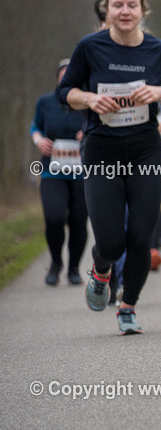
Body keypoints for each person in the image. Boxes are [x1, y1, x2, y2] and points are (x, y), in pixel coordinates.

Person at [57, 0, 161, 334]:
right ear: (108, 10)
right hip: (102, 150)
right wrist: (87, 99)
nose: (125, 11)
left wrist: (160, 92)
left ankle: (127, 306)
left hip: (146, 150)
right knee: (111, 240)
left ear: (143, 10)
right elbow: (64, 93)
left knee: (140, 238)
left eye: (132, 5)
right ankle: (101, 271)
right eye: (118, 5)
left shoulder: (158, 51)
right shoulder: (90, 47)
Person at [31, 59, 87, 285]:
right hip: (51, 170)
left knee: (78, 220)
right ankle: (56, 262)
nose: (67, 79)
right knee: (54, 217)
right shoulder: (45, 102)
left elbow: (100, 124)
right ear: (57, 79)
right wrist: (38, 140)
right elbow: (35, 125)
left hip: (82, 171)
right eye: (63, 76)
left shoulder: (88, 103)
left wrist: (89, 134)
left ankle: (73, 268)